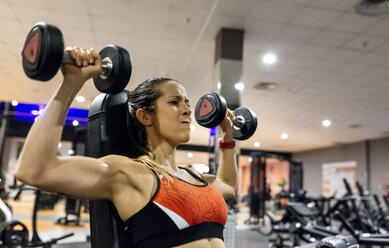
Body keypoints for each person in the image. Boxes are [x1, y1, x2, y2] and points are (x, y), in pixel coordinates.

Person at [15, 47, 238, 248]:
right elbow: (34, 169)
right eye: (174, 102)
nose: (188, 110)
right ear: (145, 116)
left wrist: (227, 136)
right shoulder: (129, 173)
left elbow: (227, 186)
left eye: (187, 103)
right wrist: (71, 83)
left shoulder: (194, 177)